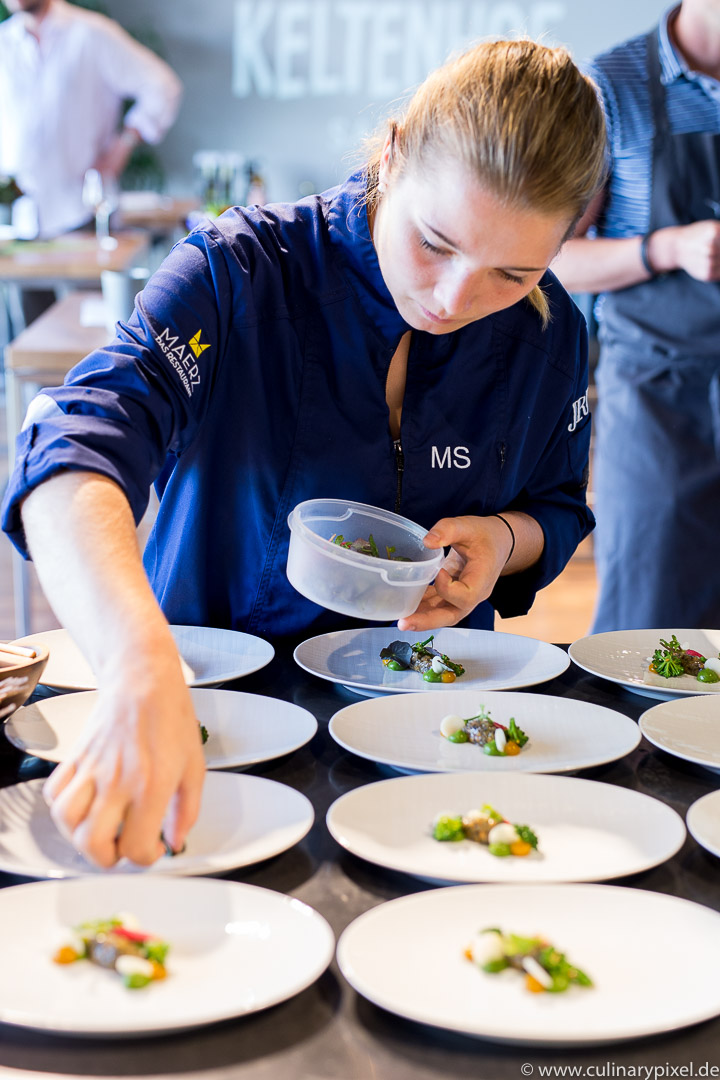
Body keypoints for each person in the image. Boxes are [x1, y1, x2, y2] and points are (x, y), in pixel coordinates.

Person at [1, 39, 606, 868]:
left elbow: (560, 507)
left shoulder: (551, 332)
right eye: (435, 242)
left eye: (511, 272)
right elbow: (73, 445)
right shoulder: (240, 274)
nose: (453, 300)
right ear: (391, 157)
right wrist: (137, 667)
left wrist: (505, 540)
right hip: (203, 728)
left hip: (436, 741)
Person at [552, 0, 720, 632]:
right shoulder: (612, 85)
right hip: (657, 400)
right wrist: (666, 248)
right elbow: (553, 256)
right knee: (653, 625)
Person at [0, 0, 182, 240]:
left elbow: (162, 86)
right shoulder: (4, 42)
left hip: (82, 213)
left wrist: (123, 145)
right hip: (16, 222)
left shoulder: (91, 33)